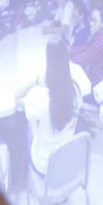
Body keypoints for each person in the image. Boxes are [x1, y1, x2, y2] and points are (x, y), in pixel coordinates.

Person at [23, 39, 83, 178]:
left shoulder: (40, 98)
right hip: (66, 162)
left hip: (44, 166)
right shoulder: (76, 91)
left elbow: (16, 94)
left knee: (27, 125)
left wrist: (37, 79)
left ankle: (28, 175)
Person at [71, 6, 103, 87]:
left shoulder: (101, 42)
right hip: (93, 76)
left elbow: (81, 59)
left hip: (94, 84)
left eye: (95, 20)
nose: (91, 23)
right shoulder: (101, 34)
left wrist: (66, 54)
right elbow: (85, 47)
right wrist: (70, 50)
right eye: (91, 19)